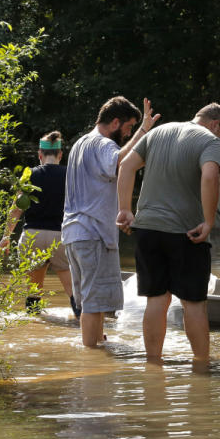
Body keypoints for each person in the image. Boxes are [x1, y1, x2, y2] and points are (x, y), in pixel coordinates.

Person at [115, 103, 220, 363]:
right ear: (215, 124)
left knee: (156, 300)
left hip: (147, 229)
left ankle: (153, 365)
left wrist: (125, 210)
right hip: (186, 232)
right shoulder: (210, 141)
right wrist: (209, 222)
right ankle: (202, 367)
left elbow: (125, 167)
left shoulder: (158, 132)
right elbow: (210, 176)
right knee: (194, 303)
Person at [62, 96, 160, 347]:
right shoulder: (103, 144)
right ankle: (93, 363)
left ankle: (96, 346)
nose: (128, 134)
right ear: (115, 122)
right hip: (92, 232)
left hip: (74, 234)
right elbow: (121, 162)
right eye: (128, 127)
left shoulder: (80, 143)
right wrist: (145, 131)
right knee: (94, 304)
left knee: (90, 302)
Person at [0, 131, 77, 316]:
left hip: (33, 235)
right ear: (60, 155)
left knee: (33, 292)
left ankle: (34, 324)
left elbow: (16, 209)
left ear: (40, 155)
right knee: (74, 292)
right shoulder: (71, 175)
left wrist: (6, 237)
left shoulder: (29, 175)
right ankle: (86, 329)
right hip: (61, 236)